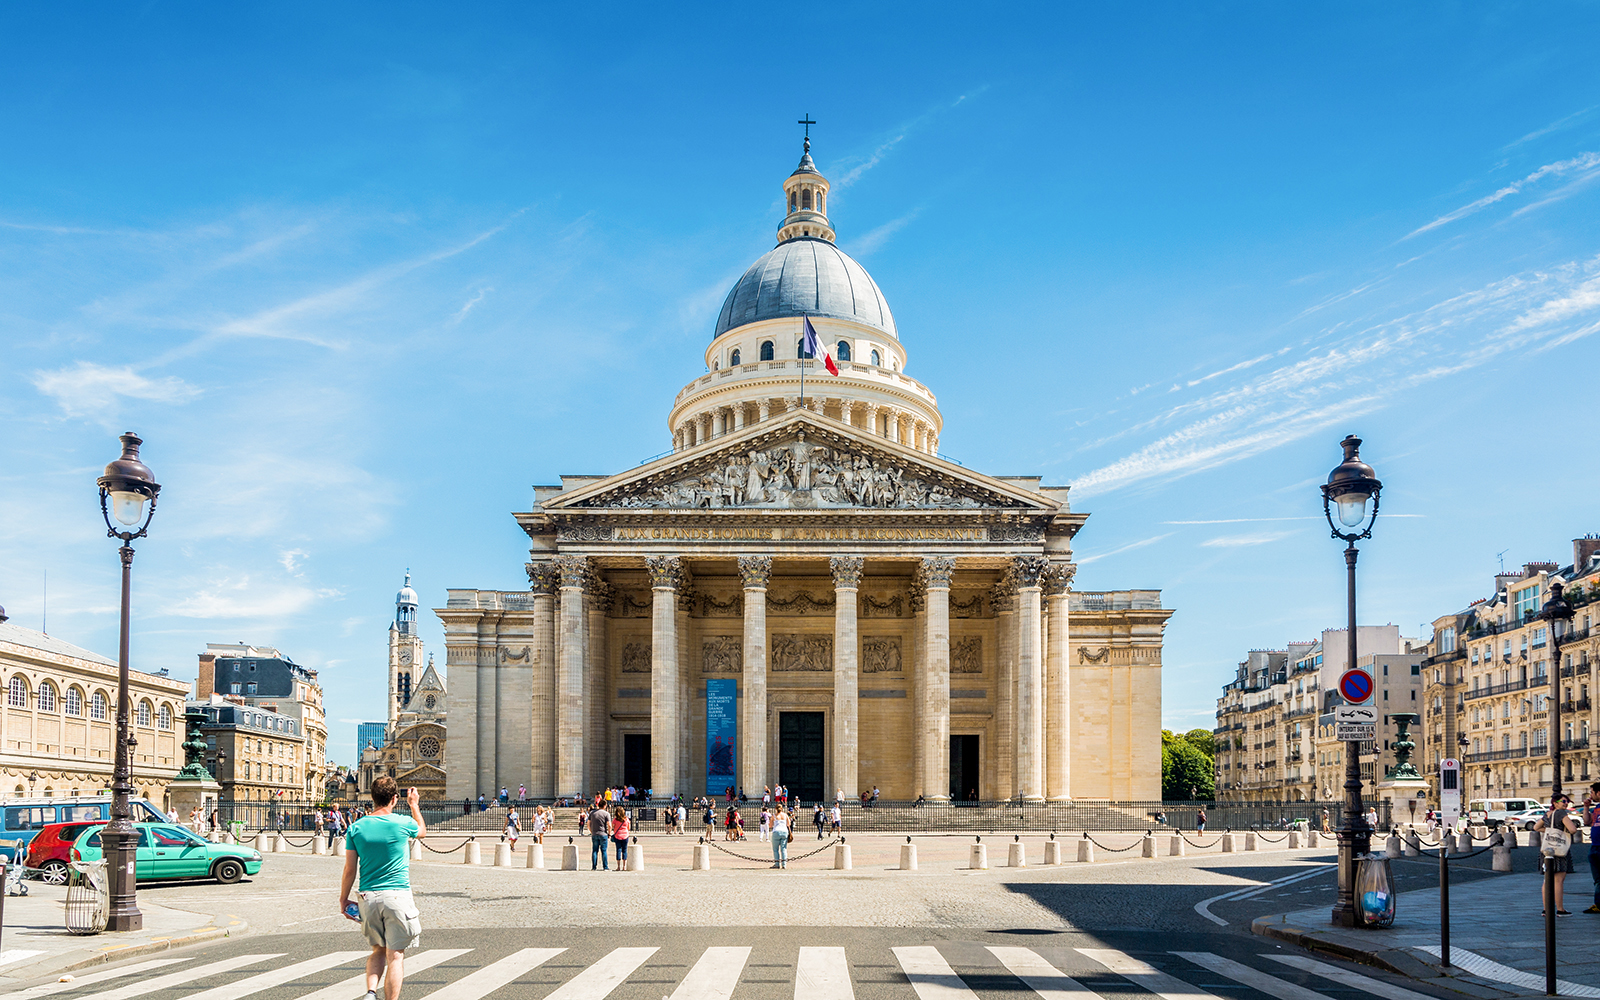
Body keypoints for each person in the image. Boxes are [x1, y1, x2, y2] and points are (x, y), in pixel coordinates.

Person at [340, 777, 427, 1000]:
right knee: (395, 956)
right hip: (396, 896)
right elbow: (422, 831)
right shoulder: (401, 822)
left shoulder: (356, 827)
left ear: (372, 798)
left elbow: (350, 869)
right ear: (395, 798)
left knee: (377, 949)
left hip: (368, 898)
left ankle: (370, 993)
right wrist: (414, 805)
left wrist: (343, 899)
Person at [1536, 793, 1579, 915]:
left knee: (1547, 880)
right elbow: (1572, 829)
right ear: (1555, 803)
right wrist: (1562, 831)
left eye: (1567, 801)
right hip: (1559, 850)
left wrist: (1549, 830)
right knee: (1558, 880)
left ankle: (1546, 909)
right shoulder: (1561, 813)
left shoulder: (1547, 814)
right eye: (1563, 801)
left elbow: (1536, 827)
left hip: (1546, 850)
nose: (1566, 803)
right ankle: (1560, 909)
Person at [1584, 781, 1600, 915]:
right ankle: (1598, 904)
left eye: (1592, 792)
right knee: (1597, 879)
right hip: (1594, 846)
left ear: (1598, 793)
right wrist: (1586, 807)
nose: (1591, 795)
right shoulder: (1596, 808)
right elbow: (1586, 822)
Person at [588, 802, 612, 870]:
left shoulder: (592, 813)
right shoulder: (606, 813)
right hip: (603, 834)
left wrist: (591, 831)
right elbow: (609, 825)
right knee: (604, 851)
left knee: (595, 851)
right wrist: (609, 833)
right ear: (604, 806)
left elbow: (588, 823)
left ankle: (594, 867)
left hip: (594, 833)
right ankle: (605, 867)